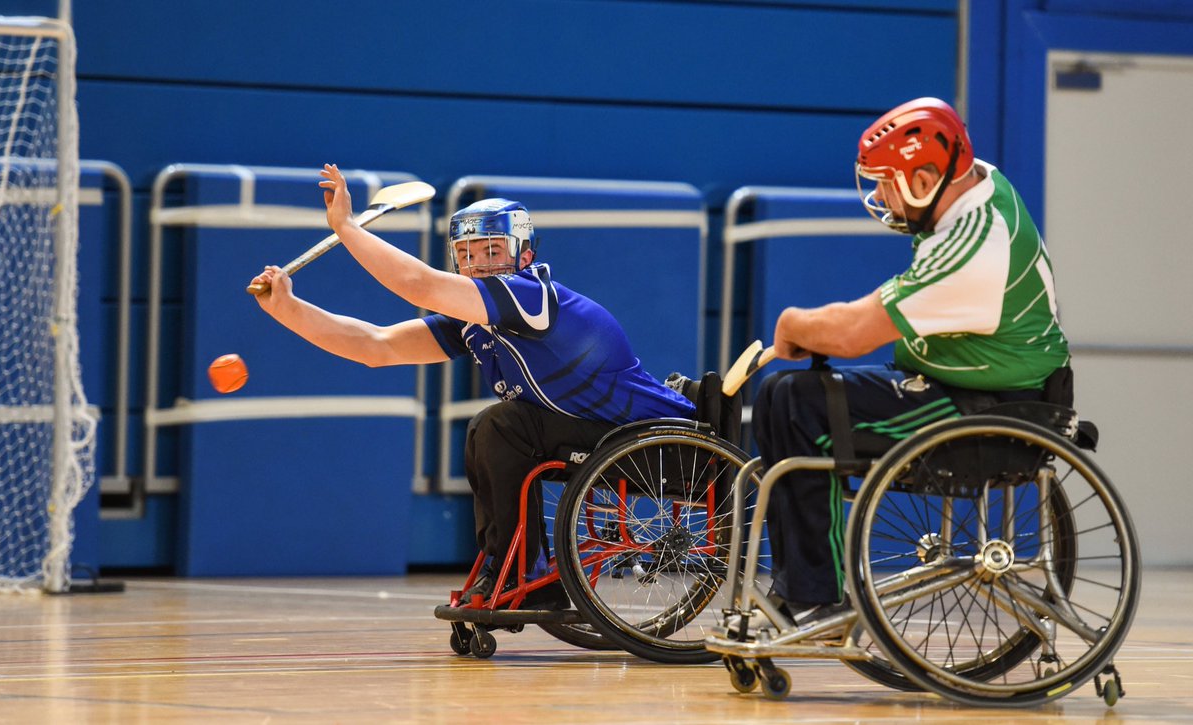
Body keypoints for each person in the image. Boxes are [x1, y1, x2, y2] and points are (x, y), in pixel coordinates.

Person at [251, 164, 695, 610]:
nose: (478, 264)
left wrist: (346, 228)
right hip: (599, 436)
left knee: (501, 425)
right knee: (495, 428)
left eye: (492, 251)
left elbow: (418, 285)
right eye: (466, 254)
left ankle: (522, 571)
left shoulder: (531, 295)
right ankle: (518, 570)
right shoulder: (476, 319)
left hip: (659, 442)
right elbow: (376, 346)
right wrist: (288, 309)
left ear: (523, 255)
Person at [751, 97, 1070, 619]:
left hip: (991, 407)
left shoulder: (974, 246)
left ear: (925, 179)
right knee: (784, 396)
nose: (878, 195)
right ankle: (800, 585)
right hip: (970, 381)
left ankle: (816, 598)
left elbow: (854, 333)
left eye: (886, 181)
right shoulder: (974, 184)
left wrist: (791, 323)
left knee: (797, 403)